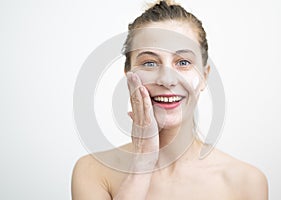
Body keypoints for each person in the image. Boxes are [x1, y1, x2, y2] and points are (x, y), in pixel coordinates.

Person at [71, 0, 268, 199]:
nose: (167, 79)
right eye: (149, 63)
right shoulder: (93, 172)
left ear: (204, 77)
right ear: (128, 74)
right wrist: (142, 164)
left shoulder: (246, 183)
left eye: (183, 62)